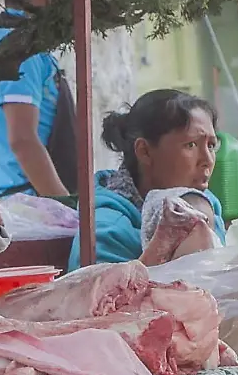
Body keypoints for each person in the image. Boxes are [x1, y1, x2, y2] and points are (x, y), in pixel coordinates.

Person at [70, 89, 222, 268]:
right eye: (191, 145)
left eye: (211, 145)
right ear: (145, 151)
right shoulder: (106, 232)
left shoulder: (204, 204)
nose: (208, 160)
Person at [0, 0, 76, 197]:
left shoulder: (16, 40)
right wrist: (64, 204)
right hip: (34, 202)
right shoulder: (20, 47)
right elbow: (22, 140)